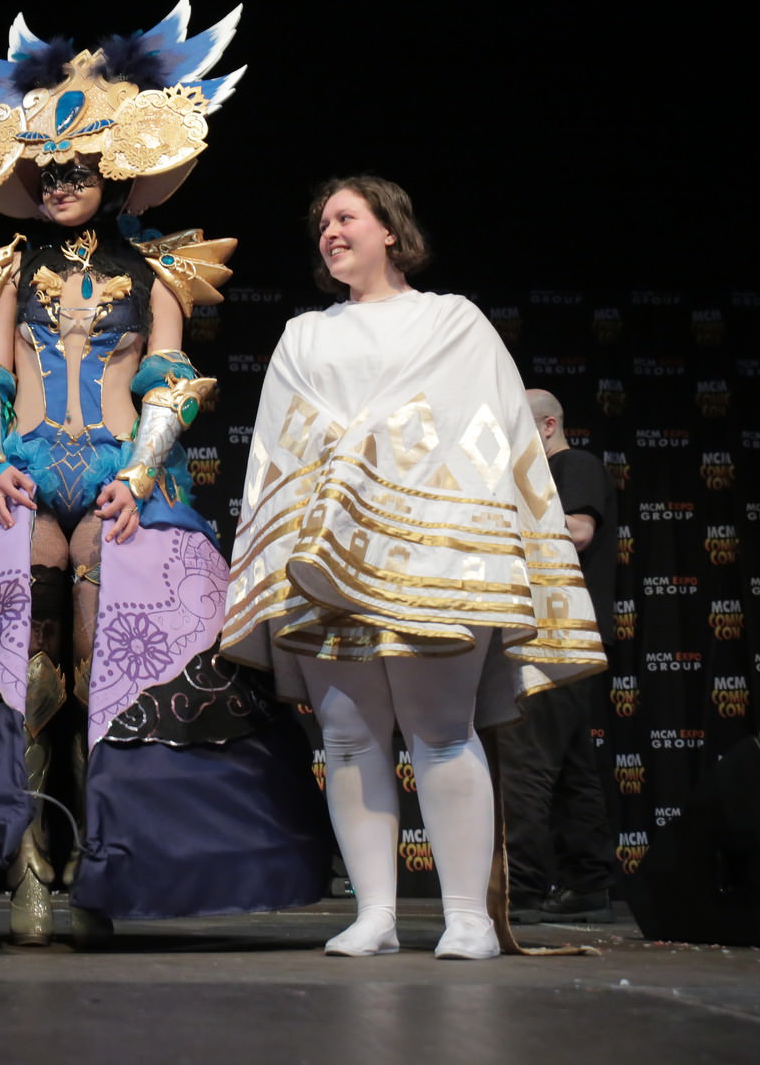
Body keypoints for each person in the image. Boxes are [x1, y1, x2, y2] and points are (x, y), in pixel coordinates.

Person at [0, 0, 331, 946]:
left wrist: (142, 478)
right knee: (20, 669)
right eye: (48, 171)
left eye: (77, 169)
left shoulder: (156, 269)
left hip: (121, 474)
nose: (60, 183)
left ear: (112, 174)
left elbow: (171, 382)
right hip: (22, 473)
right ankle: (30, 860)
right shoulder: (7, 268)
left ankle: (106, 864)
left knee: (112, 660)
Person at [222, 176, 606, 959]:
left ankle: (468, 918)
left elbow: (485, 430)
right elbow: (284, 439)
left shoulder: (452, 321)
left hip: (436, 549)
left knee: (441, 729)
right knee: (348, 736)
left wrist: (372, 450)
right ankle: (376, 914)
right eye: (322, 223)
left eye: (346, 217)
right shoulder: (304, 335)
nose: (330, 232)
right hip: (326, 553)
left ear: (390, 229)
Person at [499, 389, 619, 922]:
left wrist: (499, 519)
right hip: (560, 635)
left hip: (558, 634)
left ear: (547, 426)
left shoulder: (574, 465)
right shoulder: (539, 473)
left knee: (524, 760)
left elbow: (579, 531)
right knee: (571, 769)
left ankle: (520, 889)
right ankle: (588, 883)